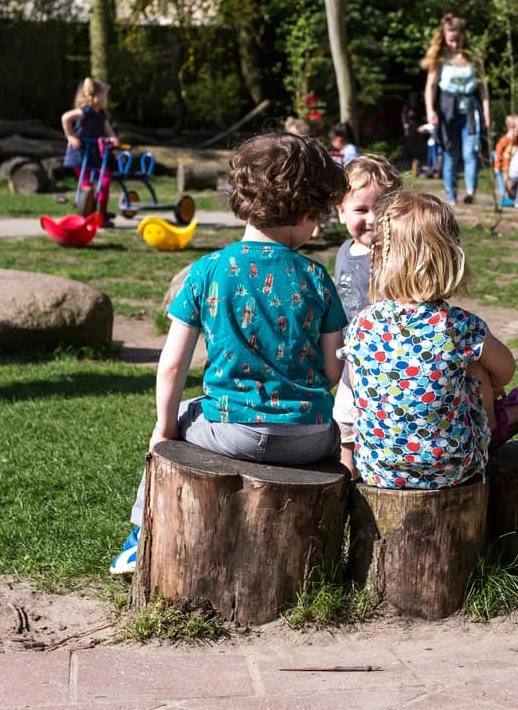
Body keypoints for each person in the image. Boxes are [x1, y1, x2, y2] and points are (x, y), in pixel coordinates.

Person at [109, 131, 349, 575]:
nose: (318, 227)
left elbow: (174, 364)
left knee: (181, 414)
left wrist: (165, 429)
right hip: (310, 437)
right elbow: (334, 369)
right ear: (301, 210)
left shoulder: (207, 270)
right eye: (317, 215)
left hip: (228, 429)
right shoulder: (317, 277)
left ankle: (139, 537)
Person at [341, 191, 518, 488]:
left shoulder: (363, 322)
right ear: (450, 257)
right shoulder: (460, 326)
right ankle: (492, 429)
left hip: (376, 468)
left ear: (379, 258)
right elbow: (506, 369)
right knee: (479, 369)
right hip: (452, 468)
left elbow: (357, 386)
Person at [331, 155, 404, 470]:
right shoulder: (344, 252)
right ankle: (347, 480)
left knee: (389, 422)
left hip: (392, 359)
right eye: (361, 210)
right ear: (341, 212)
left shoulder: (397, 256)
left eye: (383, 210)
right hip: (353, 359)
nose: (372, 219)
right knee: (344, 423)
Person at [422, 14, 491, 206]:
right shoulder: (440, 59)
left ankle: (470, 191)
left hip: (470, 109)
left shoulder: (473, 58)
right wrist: (430, 111)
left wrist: (486, 112)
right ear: (444, 37)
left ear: (463, 35)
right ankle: (451, 196)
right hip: (447, 109)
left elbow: (483, 88)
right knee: (450, 153)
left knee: (470, 152)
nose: (454, 44)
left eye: (457, 39)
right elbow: (430, 87)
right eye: (450, 40)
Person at [61, 77, 118, 227]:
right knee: (86, 184)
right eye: (105, 96)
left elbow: (109, 131)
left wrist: (113, 139)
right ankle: (87, 211)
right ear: (96, 96)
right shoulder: (85, 111)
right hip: (82, 153)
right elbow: (66, 117)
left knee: (104, 182)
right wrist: (70, 136)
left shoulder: (101, 115)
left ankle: (102, 214)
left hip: (97, 153)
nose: (107, 99)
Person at [493, 114, 518, 205]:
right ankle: (505, 198)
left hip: (516, 167)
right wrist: (497, 166)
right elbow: (498, 154)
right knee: (506, 183)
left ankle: (515, 198)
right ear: (511, 128)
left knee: (514, 184)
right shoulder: (504, 141)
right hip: (505, 168)